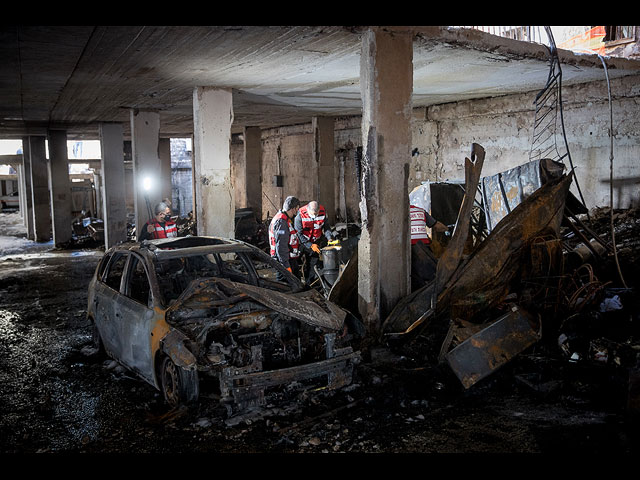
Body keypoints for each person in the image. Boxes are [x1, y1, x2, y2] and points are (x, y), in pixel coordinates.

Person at [295, 200, 334, 285]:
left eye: (316, 214)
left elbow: (326, 227)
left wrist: (329, 238)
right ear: (308, 210)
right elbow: (298, 234)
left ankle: (310, 284)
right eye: (313, 214)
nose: (315, 216)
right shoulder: (300, 215)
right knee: (295, 263)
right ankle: (296, 283)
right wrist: (309, 245)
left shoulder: (323, 212)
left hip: (315, 242)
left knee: (313, 265)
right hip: (301, 242)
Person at [410, 203, 448, 290]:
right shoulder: (420, 211)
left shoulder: (399, 213)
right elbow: (437, 226)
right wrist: (447, 229)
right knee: (429, 274)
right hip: (424, 247)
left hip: (409, 247)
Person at [268, 196, 301, 281]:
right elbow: (281, 246)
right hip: (284, 261)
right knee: (285, 286)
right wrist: (286, 266)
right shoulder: (281, 222)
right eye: (297, 208)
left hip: (288, 259)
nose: (298, 210)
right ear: (293, 209)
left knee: (296, 282)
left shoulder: (284, 219)